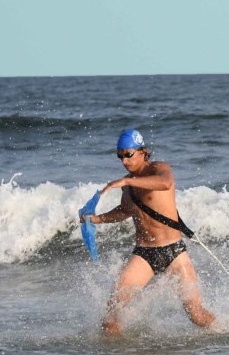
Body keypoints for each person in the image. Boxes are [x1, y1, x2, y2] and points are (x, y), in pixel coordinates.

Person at [79, 129, 215, 335]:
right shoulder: (127, 185)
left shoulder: (158, 168)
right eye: (120, 156)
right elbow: (126, 210)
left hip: (174, 252)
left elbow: (165, 183)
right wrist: (97, 219)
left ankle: (224, 333)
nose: (124, 161)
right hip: (143, 254)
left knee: (196, 315)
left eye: (128, 154)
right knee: (111, 318)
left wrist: (127, 181)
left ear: (142, 151)